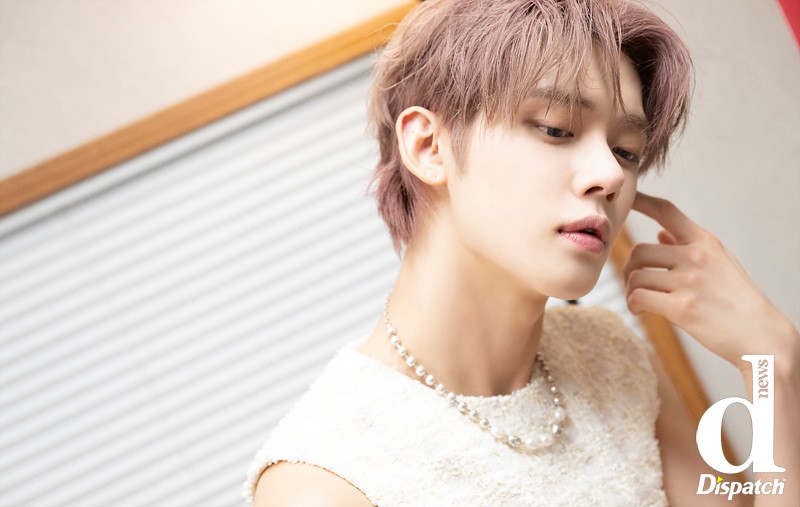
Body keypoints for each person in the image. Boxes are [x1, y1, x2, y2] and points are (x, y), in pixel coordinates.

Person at [245, 0, 800, 505]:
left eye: (626, 150)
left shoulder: (611, 355)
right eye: (556, 129)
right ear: (429, 147)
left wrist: (771, 364)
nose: (610, 174)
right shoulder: (322, 480)